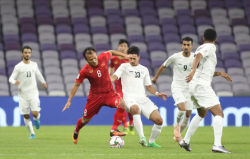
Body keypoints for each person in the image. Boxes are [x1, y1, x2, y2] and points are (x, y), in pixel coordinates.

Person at [62, 47, 137, 144]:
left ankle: (113, 130)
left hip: (109, 93)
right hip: (95, 98)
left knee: (122, 103)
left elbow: (111, 52)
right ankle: (76, 130)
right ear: (86, 60)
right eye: (90, 60)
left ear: (96, 54)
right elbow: (76, 85)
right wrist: (69, 101)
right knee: (85, 120)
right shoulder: (84, 70)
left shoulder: (103, 57)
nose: (94, 61)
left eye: (94, 58)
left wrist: (125, 55)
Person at [179, 29, 232, 153]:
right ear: (215, 39)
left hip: (193, 86)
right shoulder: (210, 47)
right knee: (219, 114)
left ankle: (185, 141)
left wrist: (219, 73)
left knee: (202, 114)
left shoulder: (200, 47)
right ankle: (217, 145)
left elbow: (203, 69)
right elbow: (198, 57)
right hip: (201, 86)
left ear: (203, 38)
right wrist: (192, 70)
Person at [110, 46, 168, 147]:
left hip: (143, 98)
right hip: (129, 98)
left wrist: (157, 93)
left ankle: (151, 142)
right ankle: (142, 138)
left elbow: (149, 86)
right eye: (130, 58)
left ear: (138, 57)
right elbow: (115, 76)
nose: (132, 60)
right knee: (135, 108)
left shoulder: (144, 69)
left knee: (159, 120)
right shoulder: (124, 67)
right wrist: (107, 80)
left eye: (134, 58)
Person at [152, 37, 195, 142]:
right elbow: (163, 66)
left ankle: (177, 136)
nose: (186, 47)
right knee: (182, 108)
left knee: (188, 115)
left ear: (191, 46)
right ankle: (176, 125)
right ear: (182, 46)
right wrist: (155, 78)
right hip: (177, 86)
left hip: (189, 88)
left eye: (188, 45)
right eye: (184, 45)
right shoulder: (176, 57)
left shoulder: (195, 58)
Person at [9, 46, 47, 139]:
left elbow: (38, 73)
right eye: (25, 52)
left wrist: (43, 82)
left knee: (34, 113)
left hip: (33, 92)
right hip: (22, 95)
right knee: (26, 115)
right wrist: (15, 82)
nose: (27, 54)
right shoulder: (18, 66)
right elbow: (11, 78)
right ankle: (32, 133)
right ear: (22, 54)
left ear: (31, 54)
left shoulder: (34, 64)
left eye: (29, 52)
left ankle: (36, 119)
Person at [109, 39, 134, 135]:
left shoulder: (130, 59)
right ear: (118, 47)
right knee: (121, 104)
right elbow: (110, 70)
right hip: (119, 87)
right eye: (121, 46)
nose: (123, 48)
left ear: (127, 48)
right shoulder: (113, 58)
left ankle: (131, 123)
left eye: (125, 46)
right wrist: (108, 78)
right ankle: (125, 126)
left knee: (129, 107)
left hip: (129, 86)